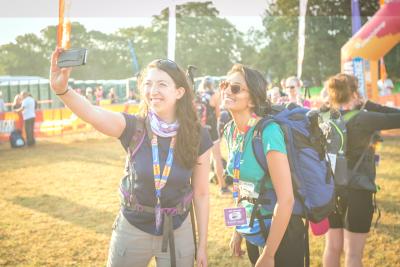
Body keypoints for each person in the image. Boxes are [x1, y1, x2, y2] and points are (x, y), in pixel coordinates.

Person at [50, 47, 212, 267]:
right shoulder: (133, 126)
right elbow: (93, 114)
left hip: (178, 230)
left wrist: (201, 244)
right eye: (148, 83)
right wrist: (62, 90)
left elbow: (201, 193)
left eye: (162, 84)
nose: (153, 90)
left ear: (179, 92)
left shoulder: (198, 134)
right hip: (132, 228)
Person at [223, 64, 305, 267]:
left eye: (235, 88)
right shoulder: (230, 130)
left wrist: (269, 254)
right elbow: (241, 188)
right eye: (224, 85)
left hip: (281, 235)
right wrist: (238, 230)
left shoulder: (268, 132)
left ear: (252, 98)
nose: (226, 91)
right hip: (252, 228)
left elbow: (286, 200)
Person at [322, 73, 400, 267]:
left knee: (331, 247)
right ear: (355, 92)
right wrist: (370, 104)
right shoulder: (365, 118)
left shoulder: (323, 116)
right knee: (353, 254)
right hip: (359, 189)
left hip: (329, 188)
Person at [198, 76, 230, 195]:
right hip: (211, 130)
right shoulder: (215, 95)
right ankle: (222, 187)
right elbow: (218, 114)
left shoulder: (199, 95)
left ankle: (198, 187)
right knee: (217, 157)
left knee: (199, 160)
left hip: (199, 130)